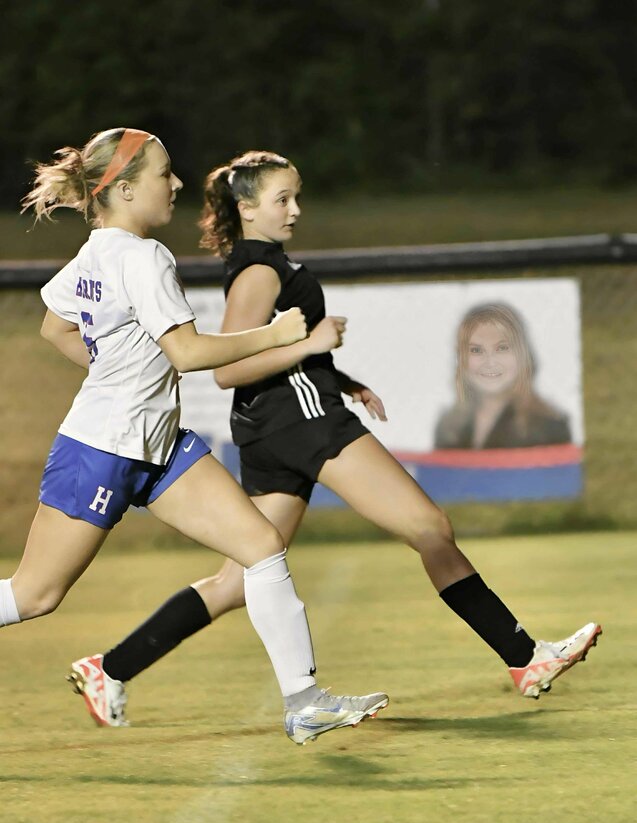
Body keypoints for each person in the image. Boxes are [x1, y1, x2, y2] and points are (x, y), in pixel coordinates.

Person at [69, 149, 601, 728]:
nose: (295, 209)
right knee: (430, 528)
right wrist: (312, 346)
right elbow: (227, 370)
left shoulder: (266, 261)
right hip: (303, 423)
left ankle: (111, 668)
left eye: (296, 196)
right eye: (282, 199)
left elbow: (272, 355)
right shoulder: (259, 272)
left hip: (277, 426)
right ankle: (525, 658)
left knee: (238, 580)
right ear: (246, 208)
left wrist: (340, 378)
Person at [1, 129, 389, 747]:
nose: (176, 184)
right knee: (34, 595)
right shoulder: (142, 256)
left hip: (156, 445)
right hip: (102, 450)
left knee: (262, 547)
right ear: (125, 189)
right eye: (164, 173)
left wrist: (120, 379)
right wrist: (281, 334)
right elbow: (184, 353)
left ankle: (306, 702)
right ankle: (304, 702)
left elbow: (55, 328)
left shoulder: (95, 253)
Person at [435, 303, 572, 450]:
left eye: (502, 348)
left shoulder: (549, 428)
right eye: (476, 350)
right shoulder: (448, 428)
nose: (490, 362)